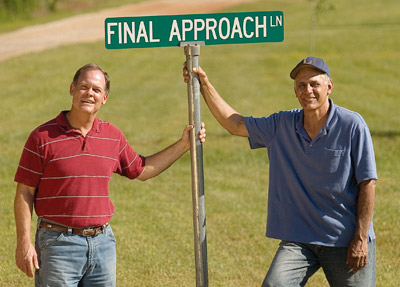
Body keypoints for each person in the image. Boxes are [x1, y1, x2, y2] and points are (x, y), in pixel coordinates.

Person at [183, 56, 377, 287]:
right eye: (301, 85)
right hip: (299, 239)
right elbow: (234, 124)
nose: (308, 90)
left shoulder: (353, 125)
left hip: (343, 239)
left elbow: (368, 183)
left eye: (314, 84)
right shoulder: (281, 124)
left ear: (329, 87)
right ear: (295, 91)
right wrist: (203, 83)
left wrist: (360, 238)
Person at [14, 63, 206, 286]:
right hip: (58, 245)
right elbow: (25, 192)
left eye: (96, 90)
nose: (89, 93)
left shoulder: (112, 136)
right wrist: (24, 242)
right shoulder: (42, 137)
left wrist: (183, 145)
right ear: (72, 89)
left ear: (104, 98)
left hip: (103, 245)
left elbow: (142, 170)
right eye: (84, 87)